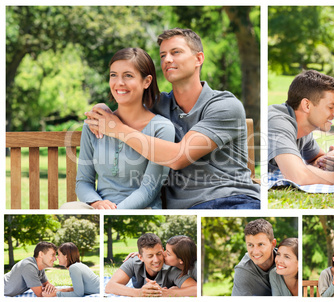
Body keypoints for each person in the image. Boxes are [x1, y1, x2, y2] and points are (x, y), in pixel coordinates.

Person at [85, 28, 260, 209]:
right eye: (162, 55)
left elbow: (178, 157)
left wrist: (118, 130)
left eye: (176, 52)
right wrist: (102, 109)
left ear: (198, 59)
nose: (167, 60)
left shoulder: (224, 105)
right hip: (185, 209)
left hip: (233, 200)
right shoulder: (158, 105)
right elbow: (124, 107)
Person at [63, 47, 175, 210]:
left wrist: (114, 213)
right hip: (99, 209)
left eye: (128, 75)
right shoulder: (95, 123)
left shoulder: (161, 128)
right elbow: (83, 182)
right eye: (113, 75)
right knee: (68, 209)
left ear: (147, 81)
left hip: (142, 209)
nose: (119, 83)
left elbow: (149, 190)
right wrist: (97, 203)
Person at [268, 70, 334, 185]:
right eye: (330, 107)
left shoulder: (303, 129)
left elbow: (315, 158)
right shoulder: (277, 122)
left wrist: (323, 161)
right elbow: (297, 176)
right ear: (307, 105)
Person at [105, 233, 196, 297]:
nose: (156, 260)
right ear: (141, 257)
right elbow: (110, 286)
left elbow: (196, 288)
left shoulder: (172, 268)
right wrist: (139, 293)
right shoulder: (133, 262)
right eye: (150, 256)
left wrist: (168, 293)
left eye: (159, 253)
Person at [232, 219, 277, 296]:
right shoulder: (243, 271)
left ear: (273, 244)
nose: (255, 252)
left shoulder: (286, 260)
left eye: (261, 244)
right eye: (250, 245)